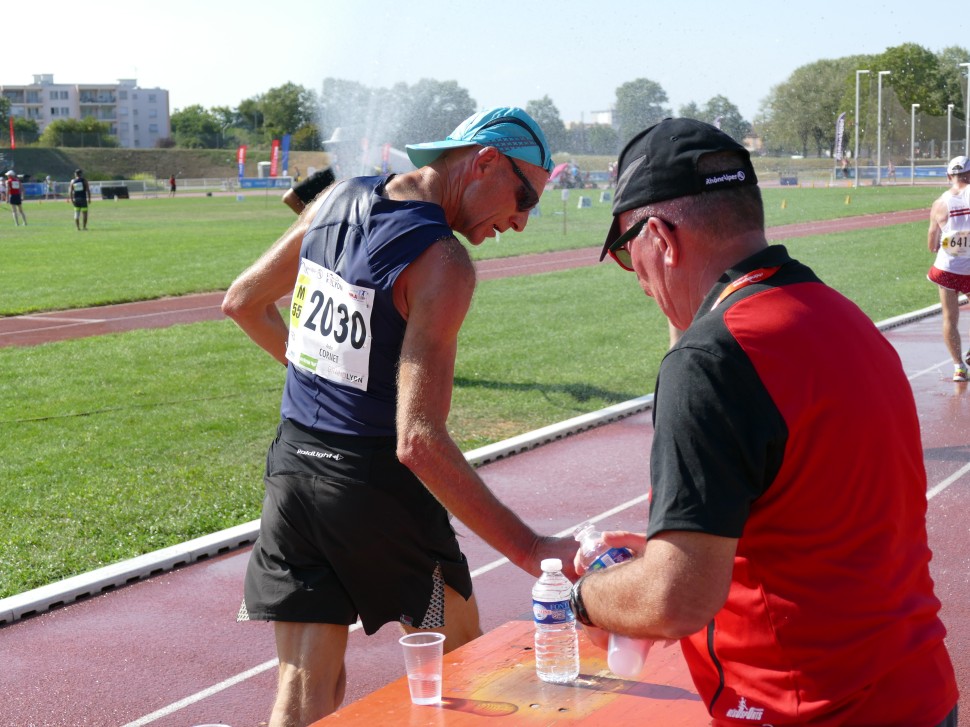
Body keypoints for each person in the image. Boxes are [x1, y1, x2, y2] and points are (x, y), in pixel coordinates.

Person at [570, 118, 958, 726]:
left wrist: (585, 599)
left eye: (626, 252)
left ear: (661, 239)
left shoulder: (710, 360)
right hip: (919, 689)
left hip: (811, 708)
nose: (638, 280)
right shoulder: (840, 316)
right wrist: (668, 546)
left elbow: (677, 600)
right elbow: (818, 513)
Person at [222, 106, 575, 726]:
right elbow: (418, 441)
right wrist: (532, 548)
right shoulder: (443, 262)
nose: (521, 222)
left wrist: (324, 376)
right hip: (376, 489)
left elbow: (244, 303)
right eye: (525, 198)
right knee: (470, 675)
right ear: (485, 162)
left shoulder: (332, 199)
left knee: (306, 694)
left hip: (294, 474)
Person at [926, 155, 970, 382]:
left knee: (949, 318)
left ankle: (958, 367)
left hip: (947, 268)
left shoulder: (939, 203)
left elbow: (932, 243)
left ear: (948, 176)